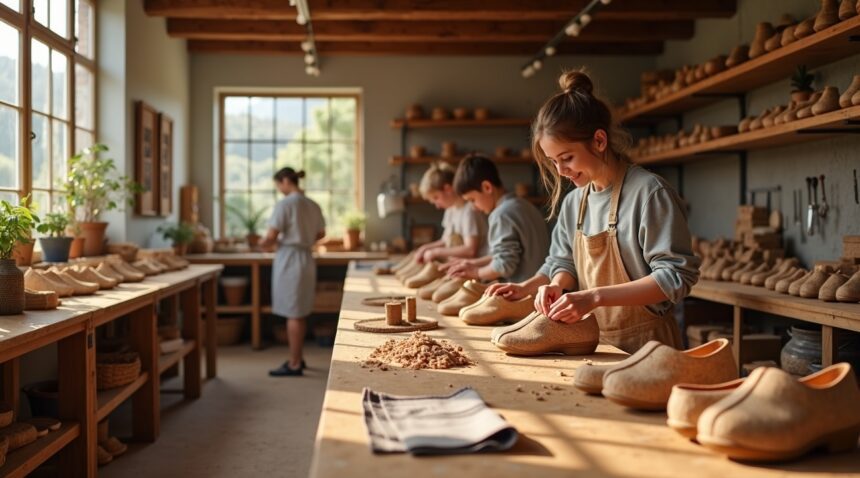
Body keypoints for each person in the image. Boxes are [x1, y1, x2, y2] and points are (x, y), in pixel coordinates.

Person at [486, 70, 700, 354]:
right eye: (553, 162)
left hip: (648, 346)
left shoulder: (649, 193)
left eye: (567, 158)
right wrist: (547, 285)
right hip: (592, 345)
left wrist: (594, 297)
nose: (560, 171)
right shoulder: (574, 202)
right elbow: (563, 262)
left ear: (599, 141)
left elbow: (675, 277)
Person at [261, 167, 326, 376]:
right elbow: (321, 234)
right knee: (300, 311)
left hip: (289, 259)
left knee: (294, 313)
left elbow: (271, 237)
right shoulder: (313, 204)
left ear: (285, 181)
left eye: (278, 185)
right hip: (306, 258)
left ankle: (295, 363)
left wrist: (260, 244)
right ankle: (298, 357)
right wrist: (304, 238)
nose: (279, 189)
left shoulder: (285, 204)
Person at [444, 154, 549, 283]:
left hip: (524, 289)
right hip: (542, 285)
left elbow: (504, 265)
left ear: (487, 187)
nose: (473, 207)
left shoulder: (501, 214)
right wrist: (472, 263)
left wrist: (476, 273)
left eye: (472, 200)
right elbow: (505, 255)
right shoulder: (524, 204)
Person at [413, 162, 489, 264]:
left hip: (477, 266)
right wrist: (425, 248)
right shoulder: (450, 209)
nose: (437, 206)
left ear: (447, 189)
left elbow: (470, 250)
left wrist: (436, 252)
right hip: (459, 263)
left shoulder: (469, 211)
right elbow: (446, 241)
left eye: (436, 198)